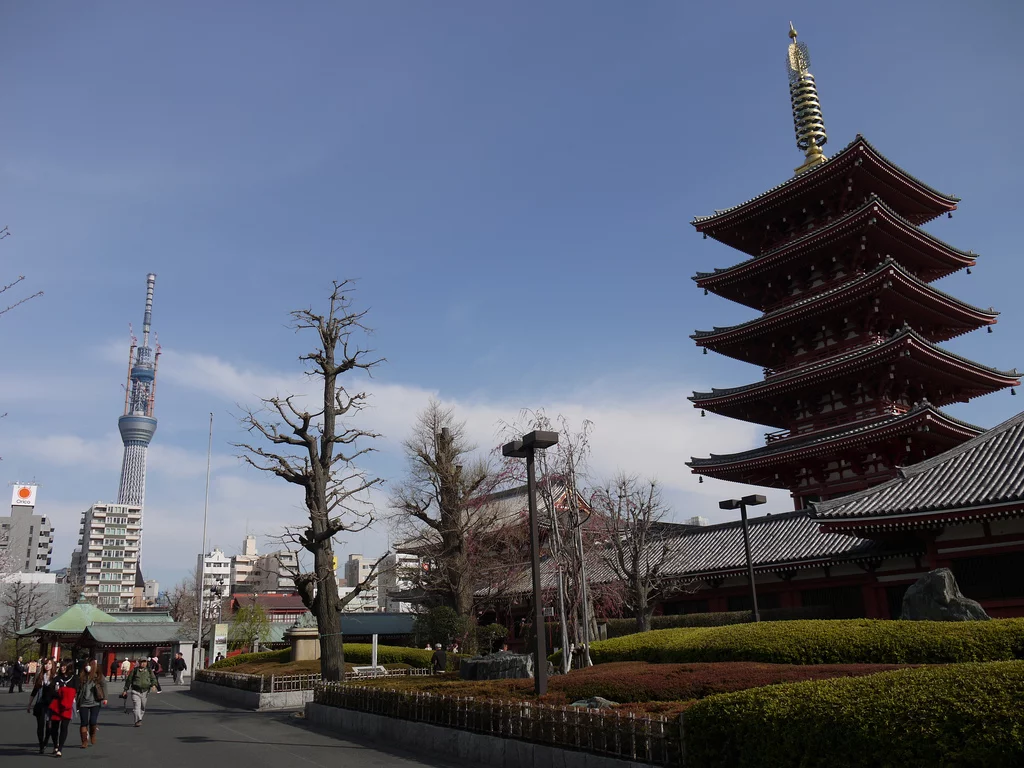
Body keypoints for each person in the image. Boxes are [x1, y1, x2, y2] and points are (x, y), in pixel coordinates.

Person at [48, 660, 77, 757]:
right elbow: (52, 691)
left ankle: (60, 748)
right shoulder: (57, 678)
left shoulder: (74, 679)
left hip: (67, 706)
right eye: (61, 666)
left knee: (64, 726)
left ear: (69, 667)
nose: (62, 668)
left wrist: (62, 691)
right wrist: (61, 693)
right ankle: (55, 744)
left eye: (64, 666)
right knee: (54, 727)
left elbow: (76, 691)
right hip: (57, 704)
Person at [76, 658, 107, 748]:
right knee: (83, 722)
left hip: (95, 701)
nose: (88, 667)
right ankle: (84, 741)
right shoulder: (82, 676)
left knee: (93, 721)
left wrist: (105, 698)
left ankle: (93, 733)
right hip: (83, 702)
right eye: (87, 665)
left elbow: (104, 685)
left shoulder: (98, 676)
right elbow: (77, 689)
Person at [27, 658, 56, 755]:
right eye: (46, 664)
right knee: (40, 725)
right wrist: (29, 704)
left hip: (51, 705)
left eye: (49, 664)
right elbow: (34, 692)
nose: (47, 665)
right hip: (40, 704)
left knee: (49, 726)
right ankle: (41, 745)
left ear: (52, 666)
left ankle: (46, 741)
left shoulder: (55, 678)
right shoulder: (40, 677)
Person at [123, 658, 157, 727]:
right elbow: (129, 680)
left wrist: (153, 685)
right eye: (142, 662)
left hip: (145, 691)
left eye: (145, 662)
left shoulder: (149, 671)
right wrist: (125, 690)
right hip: (135, 691)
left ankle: (139, 718)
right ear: (139, 662)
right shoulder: (135, 670)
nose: (143, 663)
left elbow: (153, 678)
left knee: (142, 706)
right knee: (136, 706)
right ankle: (137, 720)